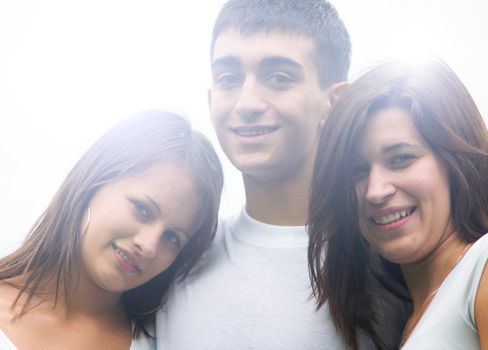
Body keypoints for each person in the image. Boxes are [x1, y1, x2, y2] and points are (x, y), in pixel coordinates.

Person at [155, 0, 405, 348]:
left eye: (278, 78)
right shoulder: (167, 260)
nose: (246, 103)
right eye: (229, 78)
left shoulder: (394, 264)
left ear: (334, 102)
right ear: (211, 99)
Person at [0, 110, 223, 350]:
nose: (148, 246)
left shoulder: (163, 343)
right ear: (94, 181)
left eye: (172, 237)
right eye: (142, 209)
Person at [308, 59, 488, 349]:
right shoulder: (415, 314)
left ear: (456, 162)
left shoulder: (482, 267)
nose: (375, 191)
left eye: (401, 159)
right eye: (357, 171)